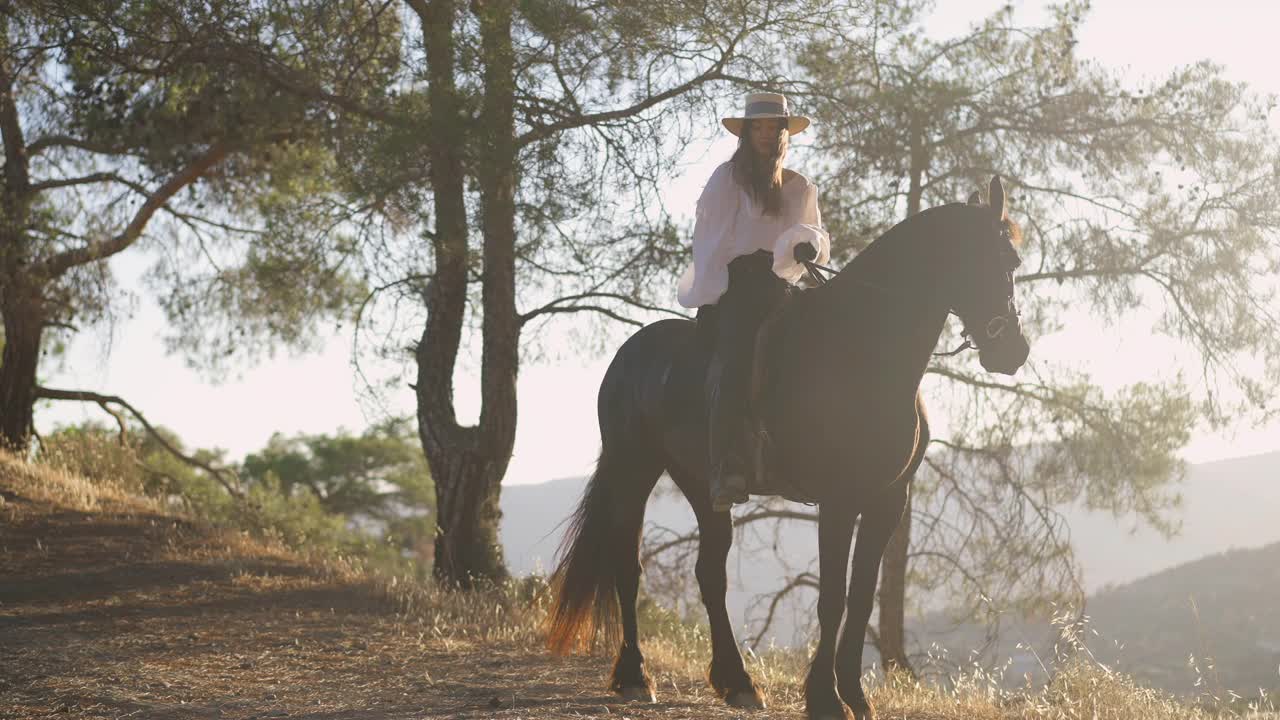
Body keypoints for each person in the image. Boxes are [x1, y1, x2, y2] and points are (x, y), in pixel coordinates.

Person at [676, 92, 830, 512]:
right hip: (738, 285)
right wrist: (717, 289)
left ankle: (800, 462)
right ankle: (725, 466)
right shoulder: (726, 180)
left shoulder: (799, 186)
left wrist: (805, 246)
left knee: (818, 354)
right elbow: (708, 240)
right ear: (746, 134)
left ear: (783, 133)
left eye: (772, 127)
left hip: (779, 284)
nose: (765, 134)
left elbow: (813, 232)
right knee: (737, 359)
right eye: (757, 127)